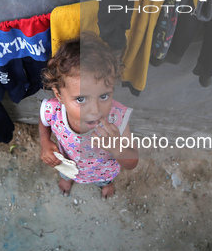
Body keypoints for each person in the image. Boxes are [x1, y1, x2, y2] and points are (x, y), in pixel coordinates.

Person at [39, 33, 138, 198]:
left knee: (105, 180)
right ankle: (68, 180)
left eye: (104, 96)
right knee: (67, 173)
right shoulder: (53, 110)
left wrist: (117, 149)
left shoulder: (117, 119)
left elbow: (132, 162)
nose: (95, 110)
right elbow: (44, 122)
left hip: (102, 171)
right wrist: (44, 142)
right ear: (59, 96)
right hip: (68, 163)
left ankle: (106, 185)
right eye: (80, 99)